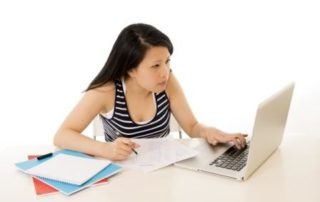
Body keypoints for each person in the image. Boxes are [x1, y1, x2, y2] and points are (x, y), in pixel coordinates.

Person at [53, 23, 246, 161]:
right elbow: (62, 136)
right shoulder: (107, 90)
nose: (164, 72)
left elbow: (192, 126)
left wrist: (210, 132)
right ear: (131, 69)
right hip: (124, 172)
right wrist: (105, 149)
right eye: (155, 65)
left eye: (167, 61)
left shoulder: (167, 81)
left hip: (165, 167)